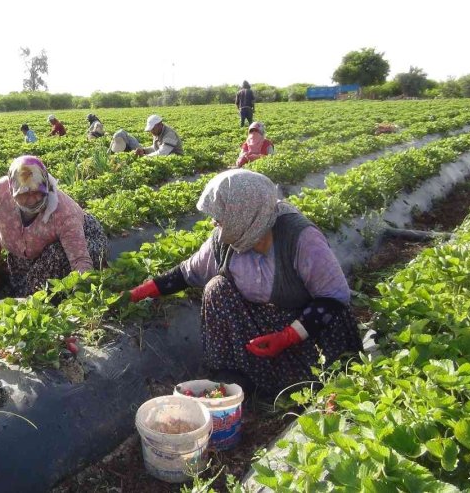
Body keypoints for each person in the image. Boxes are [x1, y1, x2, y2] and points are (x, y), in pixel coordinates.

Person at [126, 169, 361, 395]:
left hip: (308, 331)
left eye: (219, 217)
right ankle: (233, 378)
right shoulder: (223, 242)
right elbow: (186, 273)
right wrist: (138, 293)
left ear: (242, 213)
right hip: (262, 329)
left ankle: (305, 383)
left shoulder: (300, 238)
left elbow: (333, 298)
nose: (213, 224)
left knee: (320, 379)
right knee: (216, 289)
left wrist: (288, 336)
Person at [0, 155, 108, 297]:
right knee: (23, 276)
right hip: (31, 251)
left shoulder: (63, 211)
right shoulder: (2, 192)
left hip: (82, 238)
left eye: (37, 192)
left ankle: (39, 298)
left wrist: (82, 297)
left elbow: (80, 260)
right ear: (12, 191)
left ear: (46, 186)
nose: (32, 200)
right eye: (24, 194)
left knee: (54, 257)